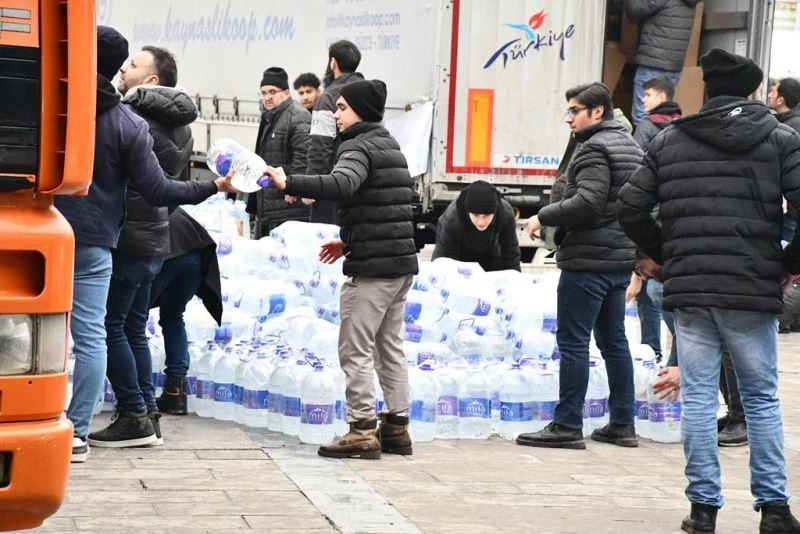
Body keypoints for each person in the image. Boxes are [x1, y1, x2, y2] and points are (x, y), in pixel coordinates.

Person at [617, 48, 800, 533]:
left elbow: (630, 207)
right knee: (760, 398)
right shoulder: (779, 138)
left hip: (692, 289)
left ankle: (703, 510)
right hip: (751, 288)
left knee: (698, 397)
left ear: (707, 93)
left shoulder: (671, 139)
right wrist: (786, 264)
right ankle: (775, 510)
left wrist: (665, 254)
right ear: (754, 91)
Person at [57, 27, 236, 462]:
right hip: (102, 241)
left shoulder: (58, 108)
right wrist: (213, 185)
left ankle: (129, 412)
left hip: (51, 232)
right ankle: (80, 433)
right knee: (97, 334)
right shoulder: (129, 123)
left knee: (67, 332)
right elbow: (160, 190)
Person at [264, 79, 418, 459]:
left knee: (355, 349)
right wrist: (348, 241)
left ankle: (362, 429)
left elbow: (343, 184)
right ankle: (397, 428)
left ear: (361, 112)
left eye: (343, 108)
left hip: (373, 272)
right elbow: (384, 207)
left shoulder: (357, 146)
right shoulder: (388, 144)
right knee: (389, 347)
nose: (336, 114)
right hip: (398, 265)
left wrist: (291, 181)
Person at [519, 82, 643, 450]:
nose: (569, 118)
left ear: (598, 112)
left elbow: (586, 202)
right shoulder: (630, 146)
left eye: (575, 111)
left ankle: (567, 423)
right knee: (614, 342)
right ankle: (622, 423)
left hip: (588, 261)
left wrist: (542, 216)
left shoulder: (593, 149)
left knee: (573, 342)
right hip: (619, 259)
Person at [88, 45, 198, 449]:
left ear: (152, 80)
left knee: (109, 326)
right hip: (155, 237)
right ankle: (147, 415)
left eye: (133, 64)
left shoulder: (133, 119)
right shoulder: (180, 124)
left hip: (129, 236)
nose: (123, 67)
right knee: (133, 327)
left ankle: (134, 413)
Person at [628, 76, 683, 360]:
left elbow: (637, 181)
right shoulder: (684, 126)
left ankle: (653, 351)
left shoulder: (647, 127)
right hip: (676, 220)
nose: (643, 99)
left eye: (647, 94)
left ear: (661, 95)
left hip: (651, 218)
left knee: (649, 291)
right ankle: (674, 352)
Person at [150, 207, 222, 415]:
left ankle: (138, 395)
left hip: (166, 251)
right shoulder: (155, 191)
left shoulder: (130, 193)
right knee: (172, 316)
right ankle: (175, 392)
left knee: (131, 321)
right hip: (195, 253)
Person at [304, 40, 364, 224]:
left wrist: (311, 187)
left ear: (333, 63)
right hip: (361, 179)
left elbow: (320, 146)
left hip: (333, 184)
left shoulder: (328, 98)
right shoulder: (367, 93)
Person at [249, 67, 311, 238]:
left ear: (286, 93)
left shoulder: (298, 116)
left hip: (289, 205)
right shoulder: (271, 115)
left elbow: (303, 156)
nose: (267, 97)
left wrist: (293, 188)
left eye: (272, 92)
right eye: (263, 93)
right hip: (272, 202)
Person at [626, 0, 699, 125]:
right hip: (673, 64)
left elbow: (634, 9)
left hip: (653, 62)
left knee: (643, 118)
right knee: (663, 116)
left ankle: (646, 145)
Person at [431, 180, 520, 272]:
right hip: (459, 251)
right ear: (468, 211)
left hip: (489, 247)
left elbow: (511, 255)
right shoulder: (452, 219)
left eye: (486, 216)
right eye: (476, 215)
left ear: (495, 212)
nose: (481, 222)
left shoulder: (505, 214)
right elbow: (443, 261)